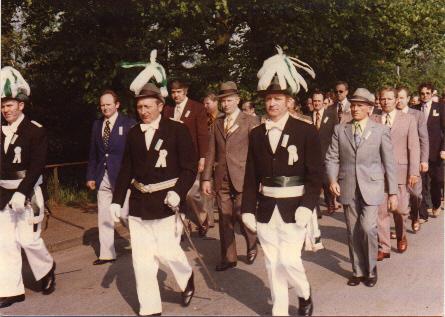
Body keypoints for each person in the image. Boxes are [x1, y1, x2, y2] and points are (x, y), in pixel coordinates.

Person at [242, 47, 321, 316]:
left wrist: (307, 206)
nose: (272, 104)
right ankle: (279, 309)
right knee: (272, 263)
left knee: (289, 260)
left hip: (295, 206)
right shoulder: (256, 134)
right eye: (268, 99)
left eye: (277, 98)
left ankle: (304, 292)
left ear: (289, 101)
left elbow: (315, 174)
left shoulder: (306, 131)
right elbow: (251, 176)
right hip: (266, 208)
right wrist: (246, 209)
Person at [110, 83, 197, 316]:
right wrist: (117, 200)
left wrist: (178, 191)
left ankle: (186, 277)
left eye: (148, 106)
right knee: (142, 259)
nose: (143, 111)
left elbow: (189, 168)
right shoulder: (134, 133)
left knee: (168, 252)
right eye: (139, 107)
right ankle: (149, 308)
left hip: (167, 201)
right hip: (140, 202)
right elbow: (126, 169)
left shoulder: (177, 130)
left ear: (160, 106)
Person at [325, 88, 398, 287]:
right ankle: (358, 271)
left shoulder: (380, 130)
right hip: (348, 185)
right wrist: (332, 180)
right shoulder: (341, 129)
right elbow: (332, 157)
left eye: (360, 106)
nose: (355, 109)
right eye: (354, 105)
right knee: (353, 231)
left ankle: (371, 266)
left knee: (368, 228)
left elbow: (389, 162)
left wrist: (393, 192)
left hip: (372, 187)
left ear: (369, 108)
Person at [0, 66, 56, 308]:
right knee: (4, 242)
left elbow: (37, 166)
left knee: (28, 240)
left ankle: (46, 268)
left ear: (21, 105)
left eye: (10, 105)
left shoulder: (35, 130)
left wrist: (22, 191)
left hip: (28, 192)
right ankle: (11, 290)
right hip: (3, 193)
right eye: (2, 106)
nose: (5, 110)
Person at [201, 81, 258, 271]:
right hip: (222, 177)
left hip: (243, 176)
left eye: (229, 100)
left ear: (238, 100)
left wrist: (256, 177)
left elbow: (256, 153)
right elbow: (210, 152)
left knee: (242, 214)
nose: (226, 104)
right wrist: (206, 178)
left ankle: (252, 243)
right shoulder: (217, 123)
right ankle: (228, 257)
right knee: (225, 218)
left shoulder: (249, 121)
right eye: (223, 101)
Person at [86, 90, 136, 265]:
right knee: (104, 215)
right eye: (102, 105)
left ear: (117, 104)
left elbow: (134, 153)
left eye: (108, 104)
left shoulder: (128, 123)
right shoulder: (97, 125)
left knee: (125, 214)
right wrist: (91, 176)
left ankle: (141, 242)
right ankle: (107, 253)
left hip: (123, 176)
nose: (105, 108)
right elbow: (93, 153)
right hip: (103, 175)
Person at [376, 87, 419, 259]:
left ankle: (401, 235)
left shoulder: (408, 119)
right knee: (381, 211)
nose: (385, 102)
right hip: (378, 172)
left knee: (400, 210)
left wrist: (413, 171)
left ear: (396, 100)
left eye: (389, 99)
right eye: (382, 99)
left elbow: (414, 146)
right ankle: (384, 247)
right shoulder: (373, 119)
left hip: (400, 171)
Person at [163, 79, 210, 235]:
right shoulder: (168, 110)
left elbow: (203, 134)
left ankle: (202, 218)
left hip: (193, 158)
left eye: (178, 92)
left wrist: (203, 157)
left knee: (191, 193)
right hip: (173, 159)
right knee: (177, 192)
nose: (175, 95)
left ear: (185, 91)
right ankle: (183, 225)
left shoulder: (197, 108)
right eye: (173, 92)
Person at [396, 87, 429, 232]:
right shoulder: (389, 115)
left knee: (415, 193)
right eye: (396, 97)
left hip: (413, 162)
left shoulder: (417, 115)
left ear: (408, 99)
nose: (399, 100)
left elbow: (424, 139)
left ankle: (415, 216)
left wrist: (424, 160)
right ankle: (400, 228)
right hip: (396, 163)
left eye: (402, 97)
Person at [411, 83, 445, 218]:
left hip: (436, 152)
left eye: (427, 93)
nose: (425, 96)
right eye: (422, 93)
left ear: (432, 94)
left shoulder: (440, 108)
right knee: (422, 184)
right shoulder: (414, 109)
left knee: (437, 181)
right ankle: (423, 214)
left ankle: (436, 204)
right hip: (419, 152)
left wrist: (443, 149)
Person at [310, 90, 337, 215]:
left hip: (327, 154)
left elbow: (335, 135)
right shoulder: (307, 116)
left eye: (319, 101)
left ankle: (331, 203)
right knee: (314, 182)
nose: (316, 103)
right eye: (314, 101)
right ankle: (316, 210)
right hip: (311, 156)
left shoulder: (331, 115)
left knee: (326, 181)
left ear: (323, 102)